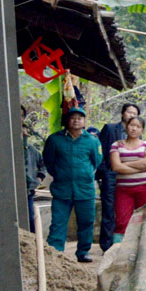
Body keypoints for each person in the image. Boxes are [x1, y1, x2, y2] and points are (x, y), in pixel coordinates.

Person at [42, 106, 103, 262]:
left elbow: (97, 161)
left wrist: (85, 174)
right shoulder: (55, 139)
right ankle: (55, 254)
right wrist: (61, 174)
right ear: (67, 120)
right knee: (58, 222)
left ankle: (83, 252)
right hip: (62, 190)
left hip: (85, 189)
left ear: (84, 121)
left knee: (86, 222)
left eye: (80, 118)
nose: (76, 120)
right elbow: (49, 162)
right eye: (73, 117)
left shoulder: (92, 141)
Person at [97, 102, 140, 253]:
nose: (132, 115)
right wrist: (103, 171)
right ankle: (107, 245)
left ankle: (124, 244)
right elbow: (100, 149)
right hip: (111, 174)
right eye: (129, 112)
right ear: (123, 114)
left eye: (135, 113)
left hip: (129, 174)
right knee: (109, 209)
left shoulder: (137, 133)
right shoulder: (110, 128)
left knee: (126, 209)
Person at [110, 115, 146, 239]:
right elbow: (116, 167)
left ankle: (144, 252)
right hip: (124, 190)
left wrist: (125, 165)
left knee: (145, 220)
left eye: (138, 126)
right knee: (121, 221)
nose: (134, 129)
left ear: (142, 130)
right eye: (131, 125)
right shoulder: (117, 145)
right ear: (126, 127)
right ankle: (119, 252)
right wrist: (139, 166)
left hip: (144, 188)